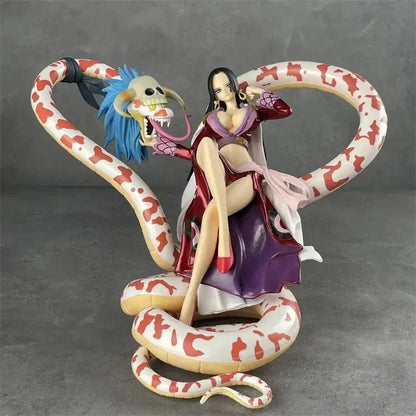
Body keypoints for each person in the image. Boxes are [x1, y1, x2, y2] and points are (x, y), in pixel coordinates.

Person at [150, 67, 322, 324]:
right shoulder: (210, 119)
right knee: (205, 144)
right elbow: (196, 153)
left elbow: (283, 110)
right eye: (218, 90)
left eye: (228, 86)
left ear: (234, 84)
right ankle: (193, 292)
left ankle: (219, 248)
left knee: (212, 213)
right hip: (219, 174)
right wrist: (169, 148)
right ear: (214, 94)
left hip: (244, 176)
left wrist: (257, 93)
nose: (225, 92)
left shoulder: (252, 112)